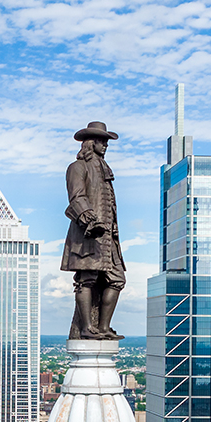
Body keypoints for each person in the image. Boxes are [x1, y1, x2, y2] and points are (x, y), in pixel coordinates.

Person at [61, 121, 125, 340]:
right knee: (86, 278)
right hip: (87, 234)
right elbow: (77, 197)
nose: (105, 145)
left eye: (106, 141)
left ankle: (104, 327)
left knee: (117, 279)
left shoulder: (105, 170)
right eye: (101, 141)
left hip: (108, 239)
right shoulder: (77, 167)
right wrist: (89, 219)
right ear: (91, 142)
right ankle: (87, 327)